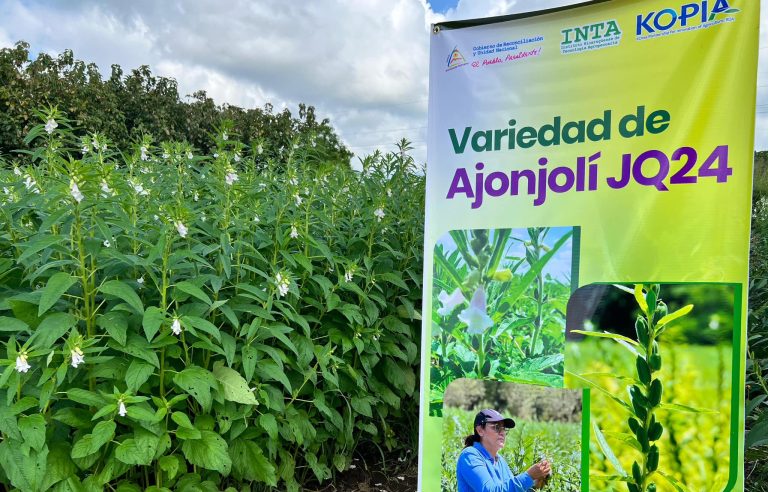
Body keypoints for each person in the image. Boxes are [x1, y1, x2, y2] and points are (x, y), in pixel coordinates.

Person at [456, 409, 551, 492]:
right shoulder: (470, 455)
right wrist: (528, 476)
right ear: (480, 430)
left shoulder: (500, 461)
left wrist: (535, 482)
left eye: (504, 428)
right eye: (496, 427)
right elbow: (489, 490)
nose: (502, 433)